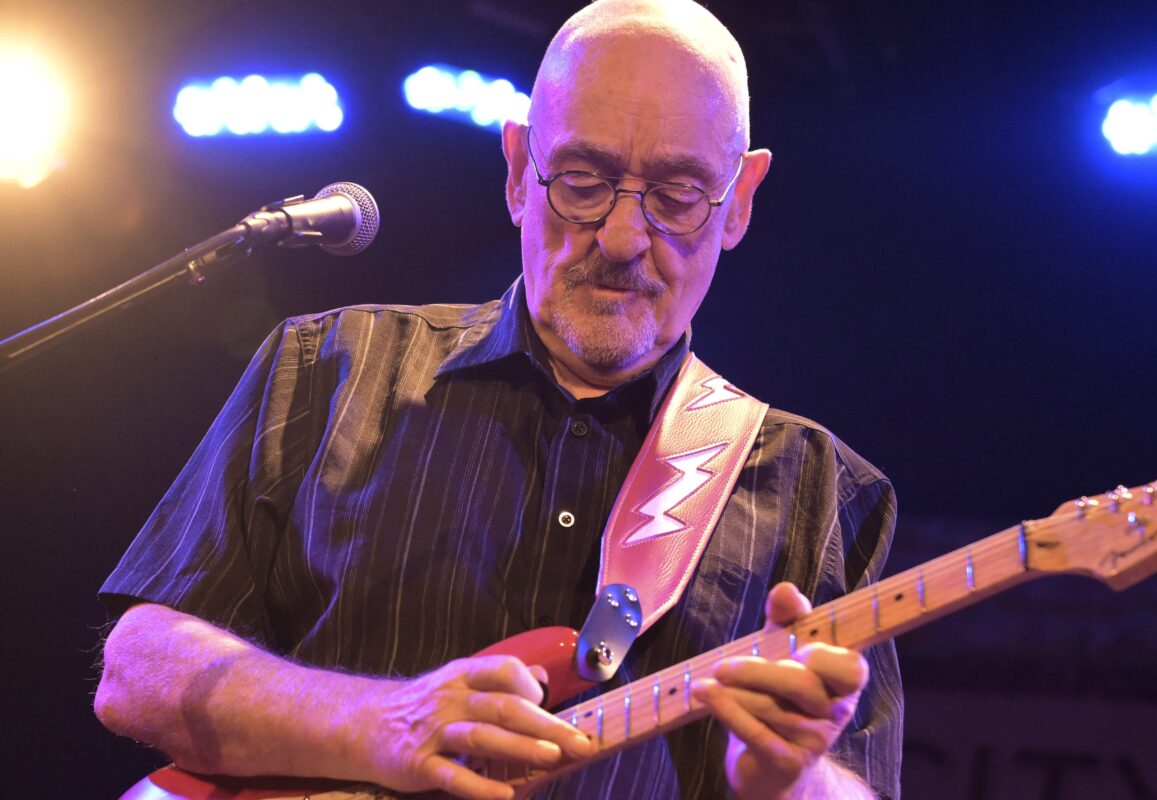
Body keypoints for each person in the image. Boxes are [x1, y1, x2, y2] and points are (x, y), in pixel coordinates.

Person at [94, 1, 903, 798]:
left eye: (679, 193)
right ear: (519, 171)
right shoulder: (328, 365)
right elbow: (137, 670)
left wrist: (792, 780)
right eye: (583, 181)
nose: (623, 239)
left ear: (742, 198)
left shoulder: (817, 489)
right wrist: (383, 721)